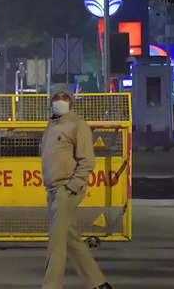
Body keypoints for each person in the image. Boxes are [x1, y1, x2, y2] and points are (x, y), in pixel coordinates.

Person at [41, 83, 112, 289]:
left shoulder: (77, 124)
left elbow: (87, 160)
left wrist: (73, 186)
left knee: (56, 244)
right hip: (53, 191)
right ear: (50, 100)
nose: (60, 101)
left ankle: (50, 286)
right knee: (70, 239)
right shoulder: (52, 125)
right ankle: (99, 283)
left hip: (66, 190)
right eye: (56, 97)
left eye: (65, 97)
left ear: (71, 100)